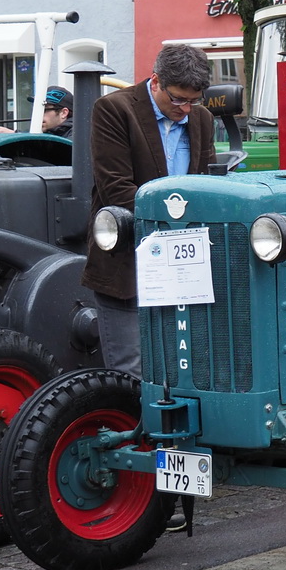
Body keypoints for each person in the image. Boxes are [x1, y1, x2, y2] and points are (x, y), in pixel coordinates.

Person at [82, 44, 217, 375]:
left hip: (186, 267)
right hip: (128, 260)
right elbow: (116, 189)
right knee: (131, 372)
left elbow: (211, 186)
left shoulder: (202, 118)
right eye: (177, 99)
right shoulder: (114, 109)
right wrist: (184, 218)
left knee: (187, 368)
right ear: (155, 81)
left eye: (194, 100)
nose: (185, 109)